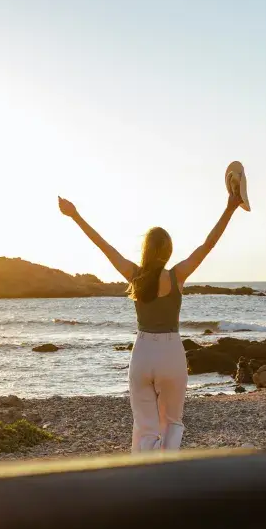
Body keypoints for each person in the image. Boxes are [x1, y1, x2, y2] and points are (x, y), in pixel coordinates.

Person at [58, 188, 243, 452]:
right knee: (172, 423)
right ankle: (166, 477)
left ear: (145, 249)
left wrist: (75, 215)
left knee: (145, 426)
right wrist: (230, 208)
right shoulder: (177, 275)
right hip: (171, 353)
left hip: (142, 353)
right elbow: (208, 245)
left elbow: (104, 246)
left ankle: (143, 477)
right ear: (167, 251)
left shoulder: (135, 275)